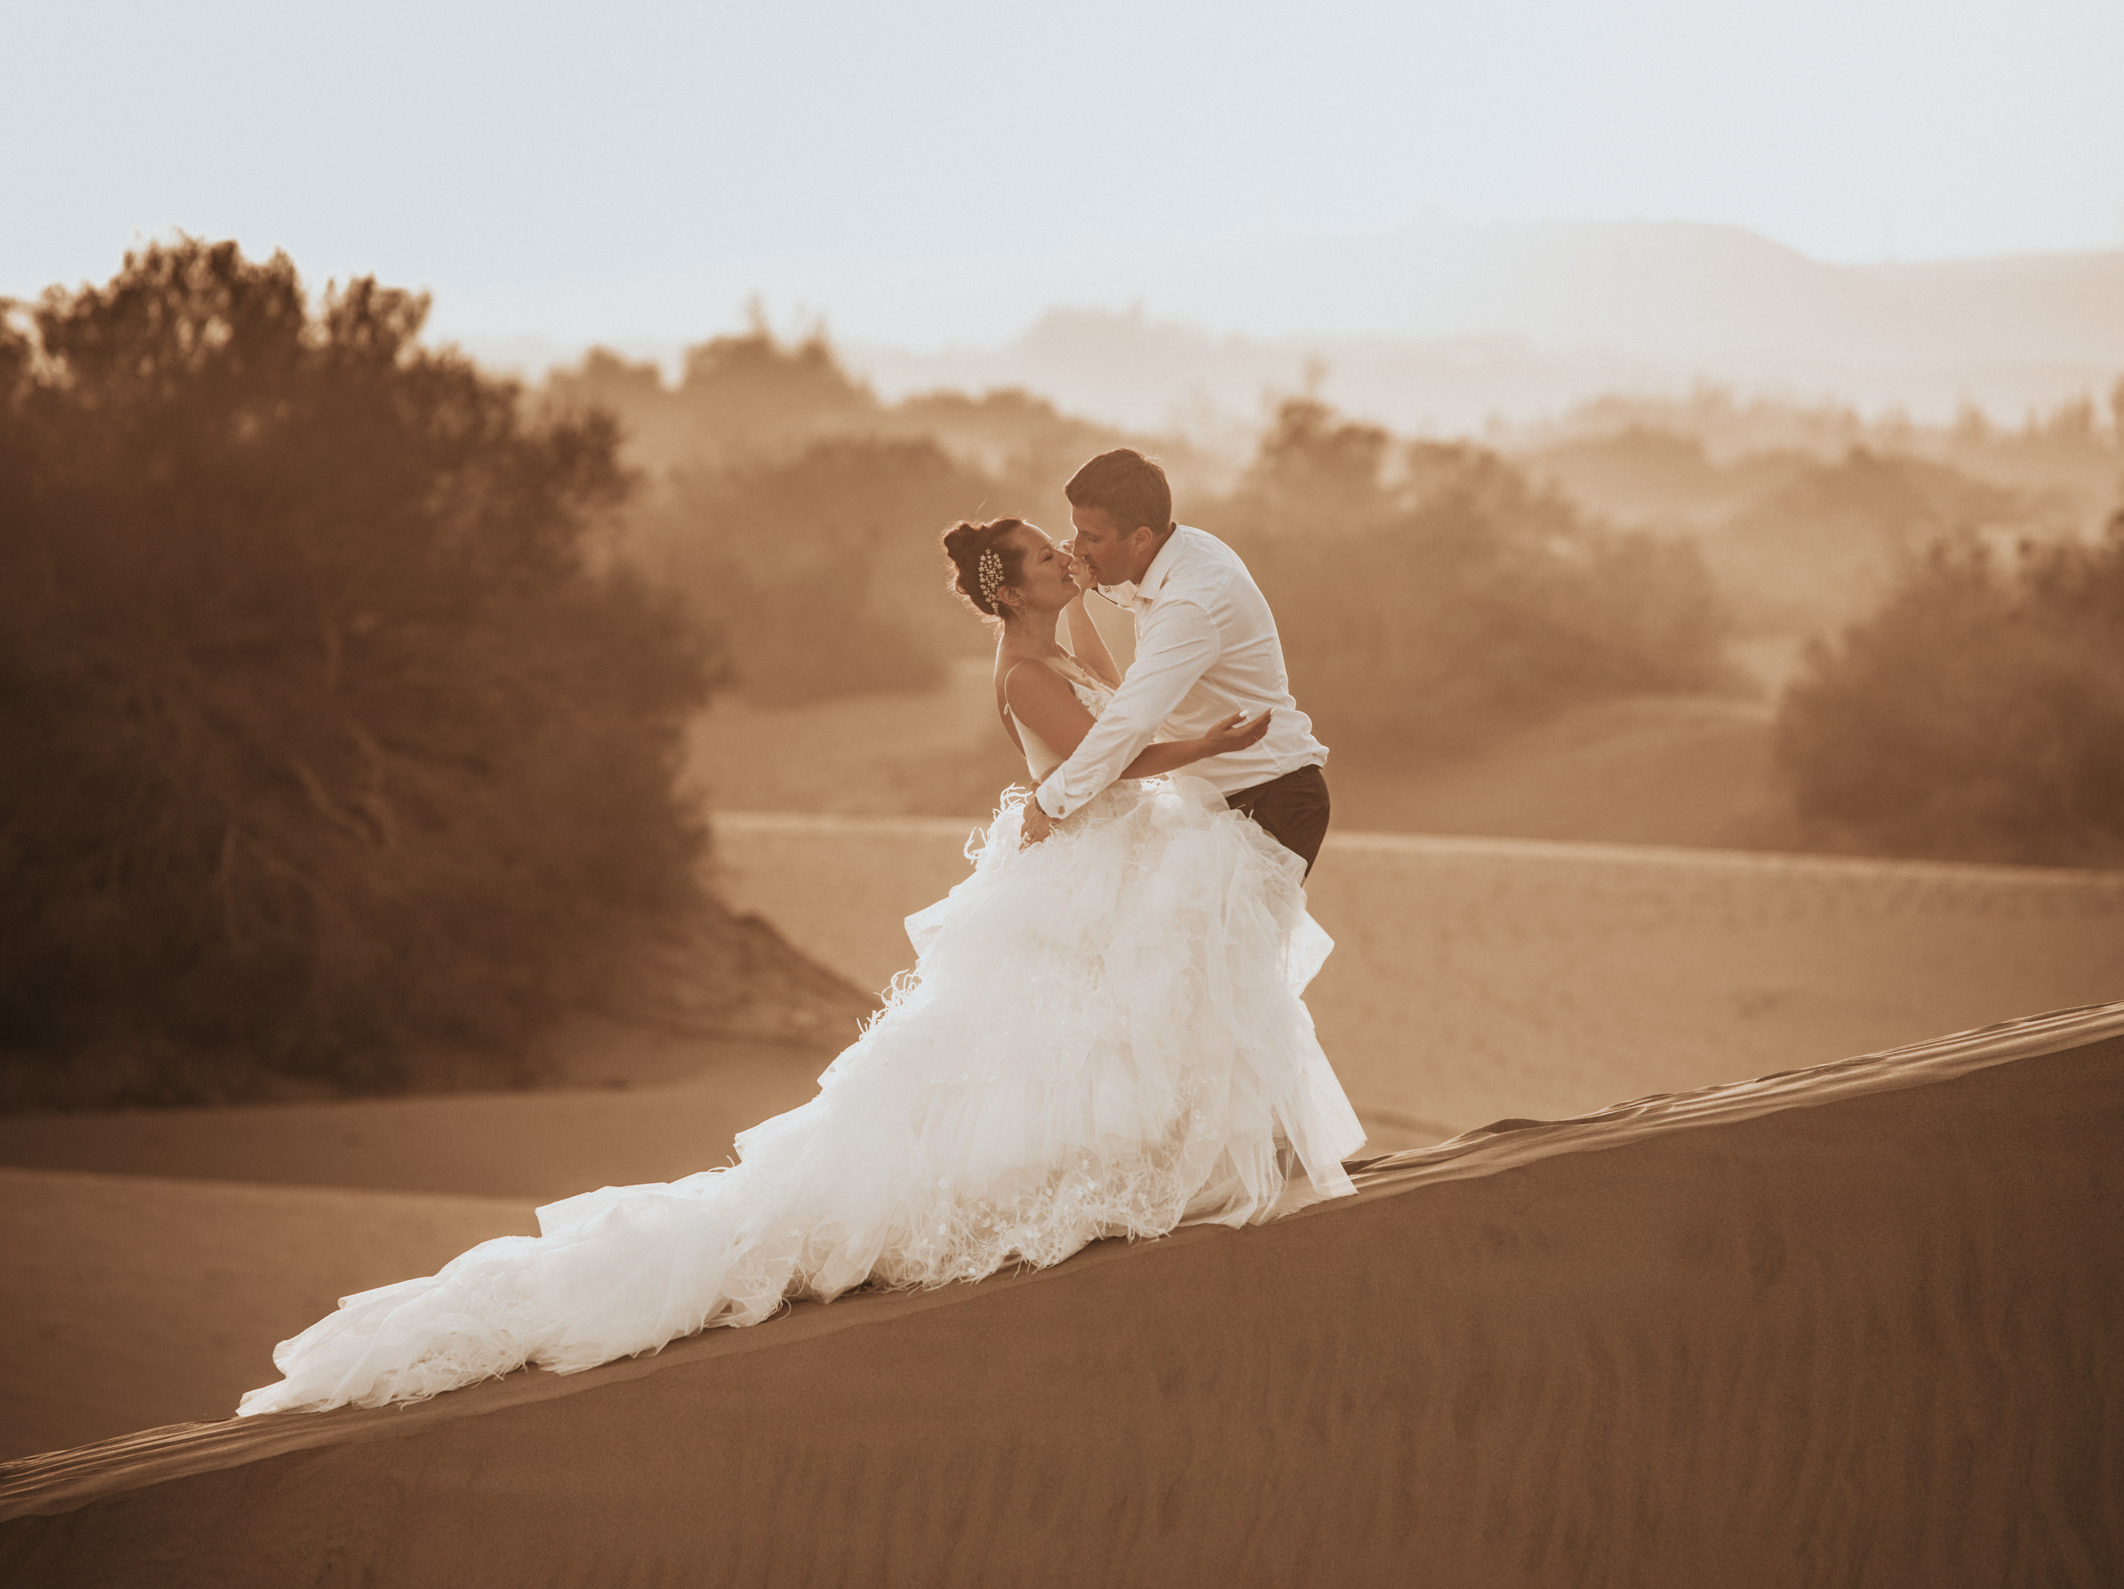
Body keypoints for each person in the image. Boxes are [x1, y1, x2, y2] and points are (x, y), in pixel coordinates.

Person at [236, 502, 1364, 1417]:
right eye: (1040, 553)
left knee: (1136, 1012)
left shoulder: (1058, 645)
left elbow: (1113, 702)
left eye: (1061, 543)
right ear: (1008, 588)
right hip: (1094, 848)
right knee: (1049, 1042)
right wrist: (1204, 744)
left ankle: (1179, 1156)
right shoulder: (1023, 675)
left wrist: (1093, 595)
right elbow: (1109, 766)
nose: (1062, 557)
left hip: (1109, 855)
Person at [1023, 448, 1332, 877]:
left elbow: (1133, 720)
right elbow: (1141, 594)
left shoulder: (1191, 602)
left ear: (1141, 538)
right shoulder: (1184, 548)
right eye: (1076, 532)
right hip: (1218, 801)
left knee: (1206, 946)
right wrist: (1088, 585)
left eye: (1092, 538)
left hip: (1268, 800)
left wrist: (1052, 799)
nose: (1075, 550)